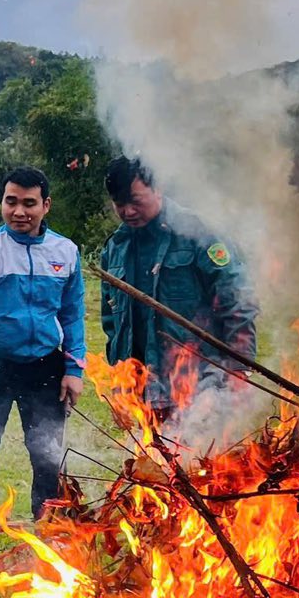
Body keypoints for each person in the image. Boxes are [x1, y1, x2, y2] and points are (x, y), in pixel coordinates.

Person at [0, 168, 87, 562]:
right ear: (3, 202)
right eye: (11, 201)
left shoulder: (66, 252)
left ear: (46, 205)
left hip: (45, 367)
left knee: (46, 454)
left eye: (29, 203)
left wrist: (74, 370)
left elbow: (74, 315)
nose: (19, 211)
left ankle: (51, 535)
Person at [97, 157, 258, 416]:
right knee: (153, 457)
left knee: (204, 456)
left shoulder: (197, 233)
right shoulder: (115, 247)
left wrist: (239, 368)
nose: (127, 211)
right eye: (119, 204)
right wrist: (121, 387)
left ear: (157, 188)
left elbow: (237, 299)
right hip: (145, 393)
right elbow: (112, 325)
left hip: (202, 386)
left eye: (135, 201)